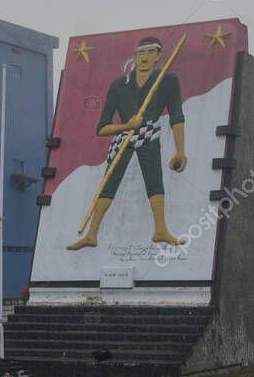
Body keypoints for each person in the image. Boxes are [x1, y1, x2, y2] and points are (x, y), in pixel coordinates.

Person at [67, 36, 187, 250]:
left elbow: (177, 116)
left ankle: (160, 230)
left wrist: (180, 151)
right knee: (108, 183)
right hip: (124, 137)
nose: (145, 57)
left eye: (151, 53)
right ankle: (91, 234)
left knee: (154, 179)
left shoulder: (167, 80)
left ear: (159, 56)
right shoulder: (119, 85)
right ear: (135, 57)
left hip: (148, 134)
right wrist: (126, 127)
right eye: (141, 53)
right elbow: (102, 128)